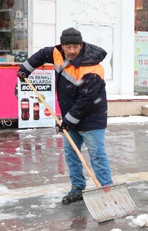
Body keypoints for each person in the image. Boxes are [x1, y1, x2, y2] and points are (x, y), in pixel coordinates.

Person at [17, 27, 113, 204]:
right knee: (71, 154)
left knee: (97, 155)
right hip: (70, 116)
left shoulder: (92, 67)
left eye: (75, 46)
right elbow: (41, 54)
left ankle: (106, 189)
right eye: (67, 46)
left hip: (92, 117)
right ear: (62, 46)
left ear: (81, 45)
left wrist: (67, 120)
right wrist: (25, 69)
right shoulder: (57, 53)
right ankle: (77, 188)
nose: (71, 51)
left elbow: (87, 99)